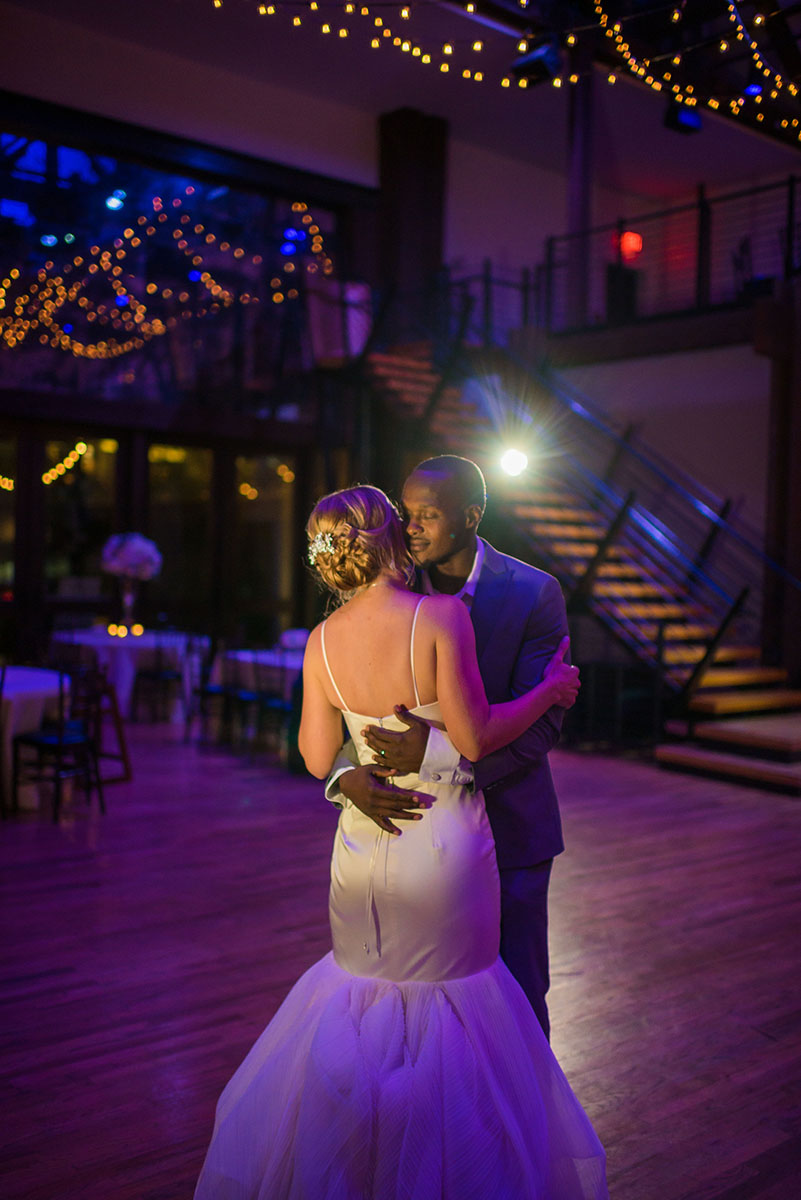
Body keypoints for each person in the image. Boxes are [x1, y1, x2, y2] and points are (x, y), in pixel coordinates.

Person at [194, 484, 608, 1200]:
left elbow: (319, 756)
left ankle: (359, 1169)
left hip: (360, 851)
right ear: (386, 538)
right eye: (403, 519)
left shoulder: (321, 640)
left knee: (360, 1000)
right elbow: (475, 737)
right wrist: (551, 690)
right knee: (456, 1011)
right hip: (438, 839)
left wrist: (353, 776)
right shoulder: (438, 616)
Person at [329, 455, 567, 1037]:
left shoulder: (534, 593)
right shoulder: (386, 587)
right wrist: (345, 776)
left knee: (516, 992)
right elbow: (349, 703)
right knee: (413, 998)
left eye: (426, 516)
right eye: (404, 513)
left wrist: (439, 761)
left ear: (471, 516)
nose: (408, 528)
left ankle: (524, 1123)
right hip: (411, 837)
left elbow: (544, 724)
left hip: (510, 829)